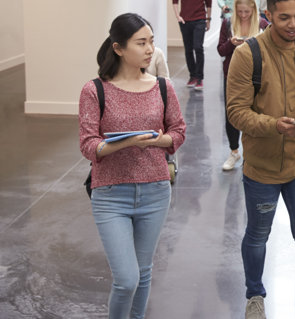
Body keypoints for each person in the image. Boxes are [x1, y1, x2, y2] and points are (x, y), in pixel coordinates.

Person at [225, 0, 295, 318]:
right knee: (258, 235)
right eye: (284, 18)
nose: (293, 24)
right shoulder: (247, 54)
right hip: (262, 168)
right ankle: (254, 295)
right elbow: (236, 112)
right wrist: (274, 125)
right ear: (267, 15)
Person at [78, 13, 186, 319]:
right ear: (119, 48)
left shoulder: (163, 86)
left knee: (143, 271)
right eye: (142, 43)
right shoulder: (94, 90)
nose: (150, 49)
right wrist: (127, 142)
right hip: (111, 194)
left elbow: (178, 131)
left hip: (155, 190)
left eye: (151, 41)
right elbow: (88, 145)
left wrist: (155, 142)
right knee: (126, 279)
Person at [218, 0, 270, 171]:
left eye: (246, 12)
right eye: (239, 12)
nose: (243, 15)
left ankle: (251, 153)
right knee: (232, 113)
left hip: (257, 75)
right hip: (232, 74)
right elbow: (220, 50)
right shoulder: (227, 23)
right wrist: (231, 44)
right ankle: (234, 151)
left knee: (256, 113)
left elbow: (271, 50)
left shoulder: (263, 24)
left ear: (253, 10)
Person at [172, 0, 212, 90]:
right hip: (184, 21)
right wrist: (177, 16)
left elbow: (209, 4)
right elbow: (174, 1)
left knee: (198, 47)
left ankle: (199, 78)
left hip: (200, 20)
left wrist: (208, 19)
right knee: (188, 49)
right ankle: (193, 76)